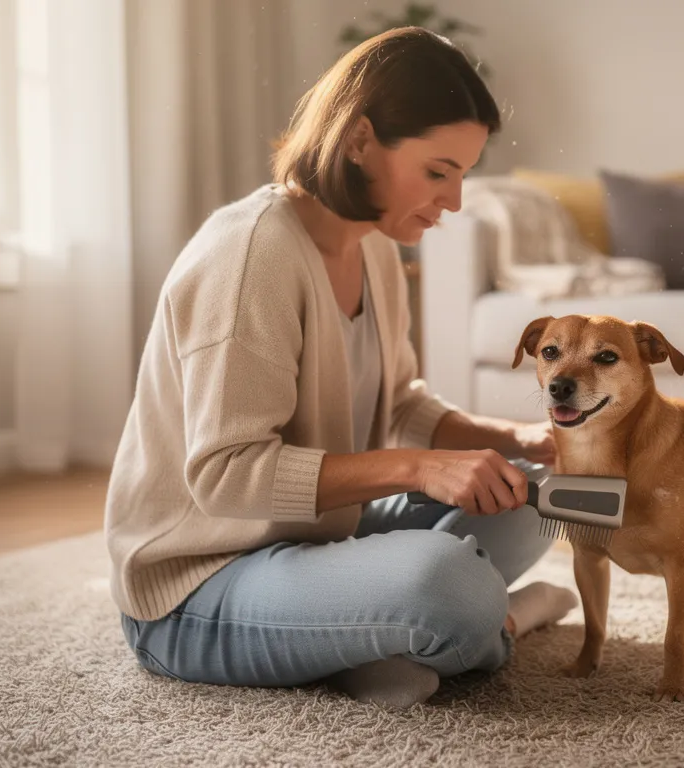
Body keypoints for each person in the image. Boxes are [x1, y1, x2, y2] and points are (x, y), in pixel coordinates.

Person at [105, 27, 578, 709]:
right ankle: (499, 621)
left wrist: (515, 439)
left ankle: (364, 645)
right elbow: (223, 475)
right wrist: (416, 469)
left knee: (537, 488)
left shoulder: (377, 248)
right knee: (447, 585)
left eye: (462, 176)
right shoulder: (251, 255)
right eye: (438, 171)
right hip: (195, 586)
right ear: (359, 142)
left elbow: (404, 403)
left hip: (314, 535)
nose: (454, 201)